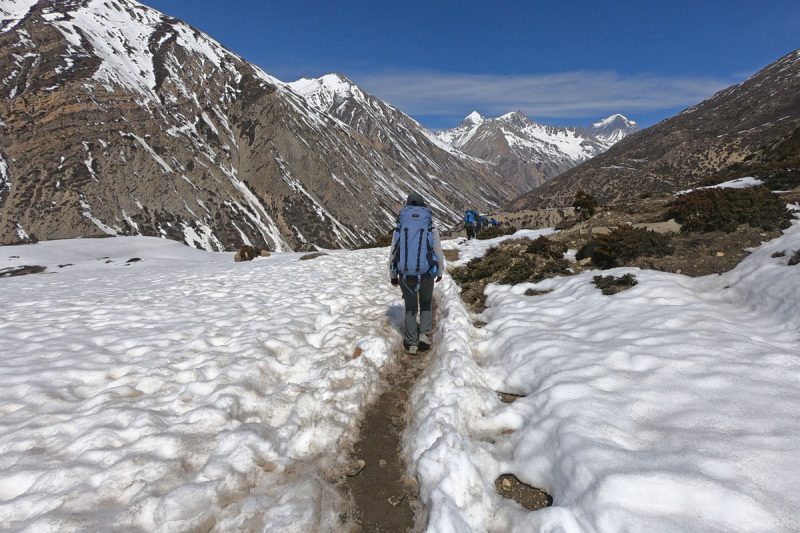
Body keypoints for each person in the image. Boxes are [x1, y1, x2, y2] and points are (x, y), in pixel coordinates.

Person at [390, 192, 445, 354]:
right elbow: (437, 251)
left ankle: (411, 342)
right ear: (423, 206)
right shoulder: (430, 226)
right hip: (426, 272)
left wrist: (393, 275)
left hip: (406, 274)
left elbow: (393, 252)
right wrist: (439, 270)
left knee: (410, 307)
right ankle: (424, 337)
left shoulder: (400, 226)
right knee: (426, 303)